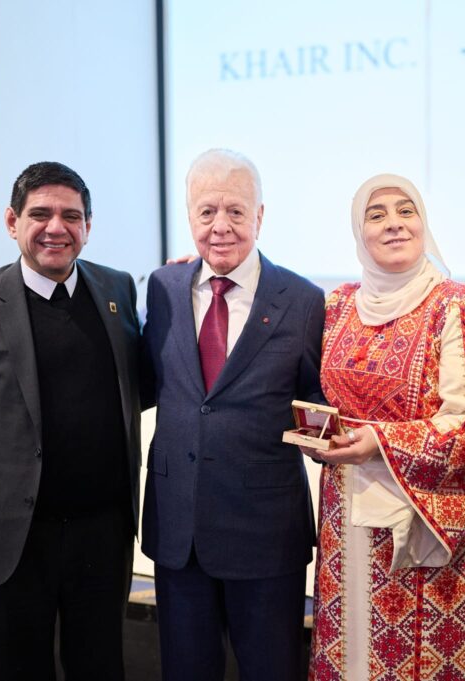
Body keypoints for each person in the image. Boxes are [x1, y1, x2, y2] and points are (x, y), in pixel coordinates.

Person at [0, 161, 144, 681]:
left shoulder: (117, 289)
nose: (56, 228)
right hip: (6, 539)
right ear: (12, 221)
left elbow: (139, 383)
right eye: (40, 214)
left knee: (101, 668)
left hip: (102, 535)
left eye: (71, 216)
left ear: (88, 226)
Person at [306, 174, 465, 681]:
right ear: (359, 231)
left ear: (423, 223)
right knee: (351, 652)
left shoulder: (459, 307)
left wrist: (381, 441)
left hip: (428, 525)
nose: (393, 223)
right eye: (376, 215)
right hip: (346, 516)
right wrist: (317, 435)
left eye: (405, 210)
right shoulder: (336, 306)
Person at [141, 148, 324, 681]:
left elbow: (317, 403)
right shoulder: (164, 287)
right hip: (179, 530)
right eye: (206, 211)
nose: (220, 226)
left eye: (236, 211)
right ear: (189, 216)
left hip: (265, 534)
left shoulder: (304, 300)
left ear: (259, 216)